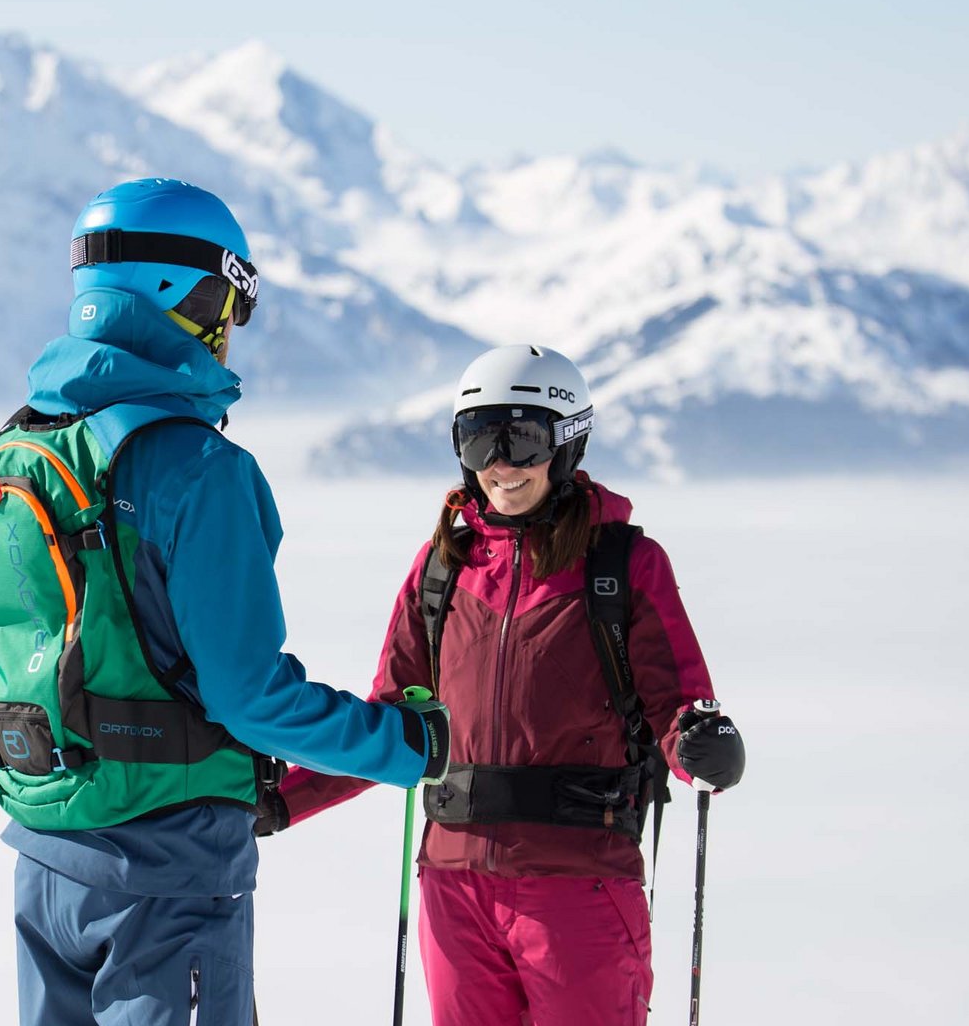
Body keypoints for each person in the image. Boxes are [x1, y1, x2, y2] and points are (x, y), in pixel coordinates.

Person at [0, 178, 450, 1026]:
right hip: (166, 869)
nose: (232, 327)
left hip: (46, 856)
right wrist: (403, 745)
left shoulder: (20, 447)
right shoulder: (196, 469)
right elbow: (250, 696)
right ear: (189, 291)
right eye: (234, 298)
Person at [270, 345, 747, 1026]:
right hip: (453, 888)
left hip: (577, 884)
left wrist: (703, 743)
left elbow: (678, 708)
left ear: (566, 444)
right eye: (479, 439)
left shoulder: (624, 566)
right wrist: (278, 803)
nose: (500, 464)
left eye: (521, 439)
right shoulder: (443, 569)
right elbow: (391, 727)